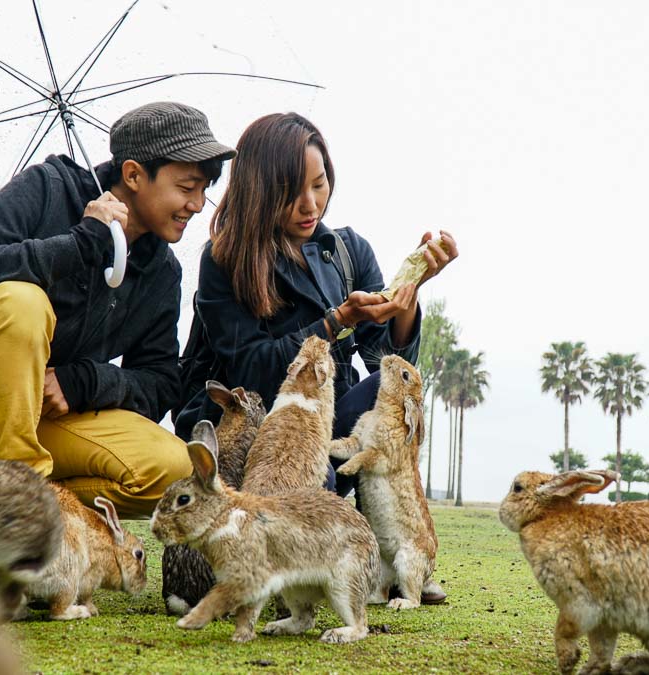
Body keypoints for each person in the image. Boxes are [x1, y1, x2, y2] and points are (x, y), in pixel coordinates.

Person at [0, 101, 235, 518]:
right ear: (133, 174)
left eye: (204, 190)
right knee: (21, 301)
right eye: (187, 188)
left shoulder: (162, 272)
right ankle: (17, 507)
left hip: (42, 423)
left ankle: (30, 506)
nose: (198, 204)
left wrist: (82, 383)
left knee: (176, 470)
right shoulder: (49, 187)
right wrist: (78, 245)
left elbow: (160, 383)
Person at [175, 112, 458, 488]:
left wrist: (409, 292)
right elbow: (251, 371)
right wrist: (335, 321)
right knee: (314, 473)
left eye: (319, 184)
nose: (310, 204)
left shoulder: (348, 251)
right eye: (292, 192)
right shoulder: (225, 260)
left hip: (330, 428)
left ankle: (384, 523)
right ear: (259, 190)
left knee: (393, 390)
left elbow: (391, 367)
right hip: (264, 437)